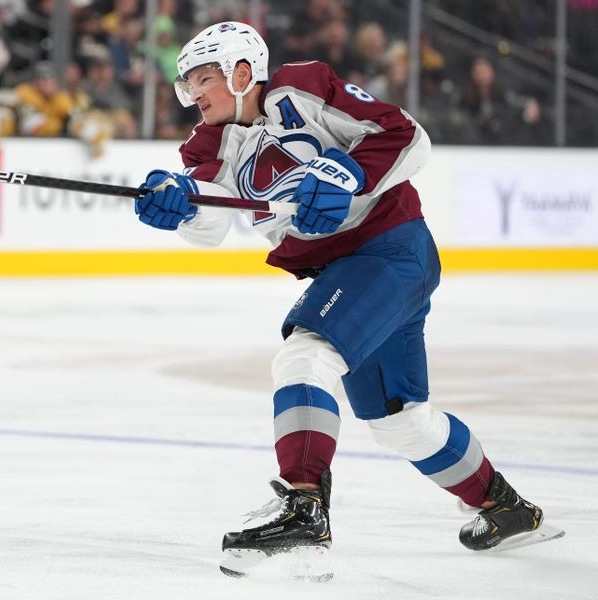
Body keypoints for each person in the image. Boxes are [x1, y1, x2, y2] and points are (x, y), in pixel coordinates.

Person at [133, 21, 554, 577]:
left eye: (204, 79)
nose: (194, 94)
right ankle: (506, 508)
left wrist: (348, 175)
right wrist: (179, 202)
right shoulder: (207, 142)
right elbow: (209, 217)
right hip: (348, 272)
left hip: (390, 249)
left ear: (242, 73)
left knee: (305, 356)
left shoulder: (301, 88)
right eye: (188, 85)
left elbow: (406, 135)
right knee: (400, 421)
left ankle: (302, 505)